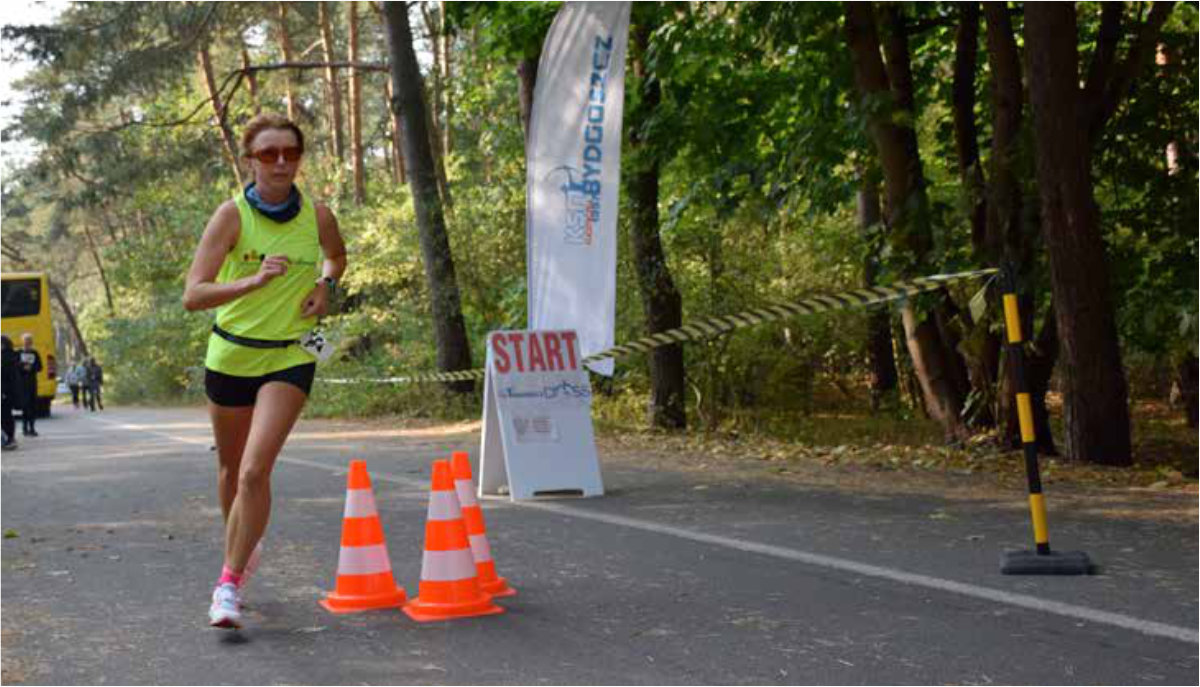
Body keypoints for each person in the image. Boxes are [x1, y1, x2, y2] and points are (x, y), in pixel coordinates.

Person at [183, 113, 346, 629]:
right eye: (268, 153)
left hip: (290, 354)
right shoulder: (230, 217)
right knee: (231, 472)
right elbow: (194, 295)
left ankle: (226, 585)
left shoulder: (317, 214)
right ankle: (242, 544)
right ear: (249, 160)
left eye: (290, 153)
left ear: (299, 159)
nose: (280, 162)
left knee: (256, 470)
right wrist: (251, 282)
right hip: (231, 354)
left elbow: (336, 258)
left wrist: (327, 287)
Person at [16, 333, 42, 437]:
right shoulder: (18, 353)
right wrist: (23, 367)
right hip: (22, 384)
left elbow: (40, 367)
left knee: (32, 406)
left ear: (31, 342)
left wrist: (32, 368)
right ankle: (24, 428)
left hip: (32, 383)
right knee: (24, 407)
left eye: (29, 341)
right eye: (26, 341)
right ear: (23, 342)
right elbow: (15, 366)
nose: (28, 343)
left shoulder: (35, 353)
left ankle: (32, 428)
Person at [2, 335, 18, 449]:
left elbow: (7, 376)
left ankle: (9, 439)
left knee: (5, 416)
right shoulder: (11, 356)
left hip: (5, 392)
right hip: (7, 391)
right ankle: (8, 438)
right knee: (6, 416)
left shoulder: (7, 358)